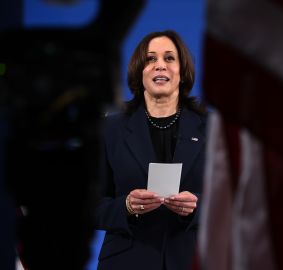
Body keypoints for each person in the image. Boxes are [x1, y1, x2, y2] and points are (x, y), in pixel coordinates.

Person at [95, 30, 206, 270]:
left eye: (169, 58)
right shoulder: (110, 128)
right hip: (126, 261)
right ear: (139, 70)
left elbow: (233, 201)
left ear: (182, 70)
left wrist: (198, 207)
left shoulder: (210, 128)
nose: (159, 66)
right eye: (150, 59)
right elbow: (87, 205)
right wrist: (125, 206)